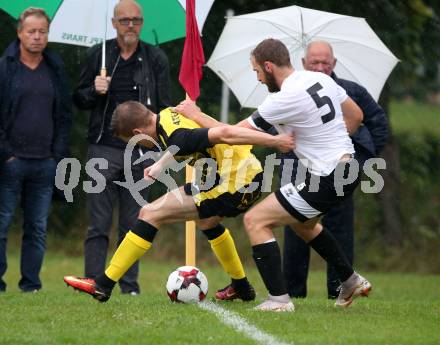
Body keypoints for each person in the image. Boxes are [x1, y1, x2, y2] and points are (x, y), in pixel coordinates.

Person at [176, 38, 372, 312]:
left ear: (268, 66)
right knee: (302, 224)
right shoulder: (319, 78)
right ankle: (350, 280)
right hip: (348, 167)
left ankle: (279, 300)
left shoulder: (283, 98)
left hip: (330, 176)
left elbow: (233, 135)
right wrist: (333, 143)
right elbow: (357, 114)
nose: (257, 78)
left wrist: (196, 114)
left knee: (256, 220)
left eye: (257, 71)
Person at [63, 101, 294, 302]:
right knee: (206, 222)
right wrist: (160, 164)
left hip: (235, 183)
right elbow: (180, 143)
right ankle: (241, 287)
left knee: (150, 213)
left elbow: (225, 133)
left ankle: (103, 284)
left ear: (136, 132)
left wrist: (275, 142)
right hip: (233, 176)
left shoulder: (175, 134)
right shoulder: (165, 117)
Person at [73, 0, 171, 295]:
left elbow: (164, 108)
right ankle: (92, 281)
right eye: (125, 20)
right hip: (103, 147)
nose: (131, 26)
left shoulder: (155, 58)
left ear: (142, 24)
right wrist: (94, 90)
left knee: (134, 222)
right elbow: (77, 99)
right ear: (114, 23)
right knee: (98, 223)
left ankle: (128, 287)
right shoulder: (98, 54)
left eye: (136, 20)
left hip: (142, 150)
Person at [282, 40, 389, 299]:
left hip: (341, 172)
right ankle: (293, 292)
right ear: (304, 63)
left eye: (325, 63)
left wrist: (362, 161)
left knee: (340, 231)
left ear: (334, 64)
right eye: (314, 62)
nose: (320, 67)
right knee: (295, 225)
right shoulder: (287, 92)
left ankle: (340, 289)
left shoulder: (353, 92)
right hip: (298, 170)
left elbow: (379, 126)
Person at [0, 7, 71, 292]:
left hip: (45, 163)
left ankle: (31, 284)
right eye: (31, 31)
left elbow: (64, 116)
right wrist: (6, 154)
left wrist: (57, 155)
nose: (37, 37)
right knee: (2, 225)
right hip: (9, 162)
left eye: (42, 31)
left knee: (37, 228)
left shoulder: (55, 70)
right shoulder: (5, 68)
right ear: (19, 33)